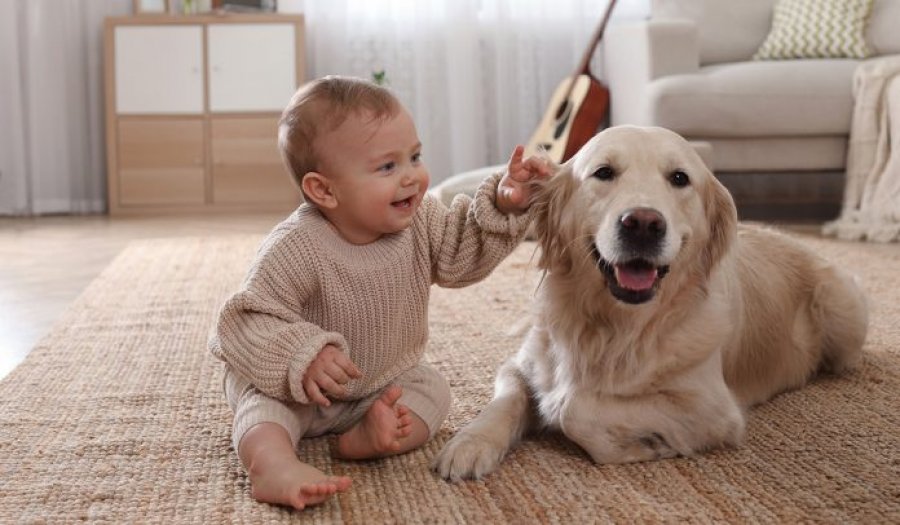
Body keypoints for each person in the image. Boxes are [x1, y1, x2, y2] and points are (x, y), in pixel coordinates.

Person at [209, 75, 552, 511]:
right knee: (261, 412)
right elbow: (244, 320)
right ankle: (272, 468)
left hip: (380, 383)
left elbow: (462, 255)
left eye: (415, 156)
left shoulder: (422, 223)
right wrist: (302, 355)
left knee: (433, 391)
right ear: (324, 190)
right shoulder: (297, 246)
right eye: (388, 167)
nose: (412, 177)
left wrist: (505, 206)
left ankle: (364, 440)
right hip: (297, 389)